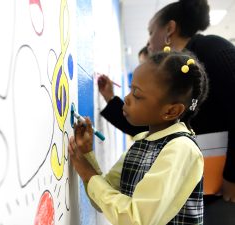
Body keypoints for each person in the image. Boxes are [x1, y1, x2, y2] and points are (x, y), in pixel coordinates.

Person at [102, 0, 235, 207]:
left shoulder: (211, 49)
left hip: (224, 192)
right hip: (198, 192)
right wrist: (111, 99)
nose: (148, 43)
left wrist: (232, 176)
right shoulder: (171, 77)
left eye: (151, 32)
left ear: (169, 30)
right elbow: (148, 124)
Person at [69, 51, 209, 225]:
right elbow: (102, 200)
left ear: (171, 111)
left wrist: (88, 173)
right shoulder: (142, 141)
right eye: (130, 89)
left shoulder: (181, 148)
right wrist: (87, 155)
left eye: (137, 94)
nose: (126, 99)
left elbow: (136, 220)